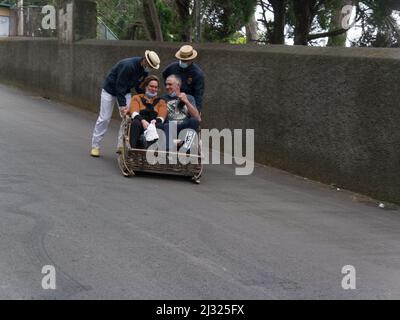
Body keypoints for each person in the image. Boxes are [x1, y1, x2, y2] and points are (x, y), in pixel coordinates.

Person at [90, 50, 161, 157]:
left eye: (152, 67)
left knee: (127, 118)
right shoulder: (129, 66)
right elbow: (119, 87)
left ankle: (121, 146)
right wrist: (123, 106)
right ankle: (95, 146)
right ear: (145, 60)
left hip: (125, 91)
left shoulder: (145, 70)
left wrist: (145, 96)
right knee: (104, 118)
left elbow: (138, 86)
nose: (150, 68)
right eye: (150, 65)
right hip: (110, 90)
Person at [162, 74, 201, 151]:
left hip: (184, 127)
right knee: (168, 125)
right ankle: (168, 152)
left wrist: (186, 101)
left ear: (178, 85)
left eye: (170, 84)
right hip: (170, 128)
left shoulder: (189, 97)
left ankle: (186, 147)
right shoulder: (163, 99)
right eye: (166, 84)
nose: (167, 87)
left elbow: (198, 118)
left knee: (194, 121)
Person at [162, 45, 205, 113]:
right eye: (182, 60)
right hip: (171, 99)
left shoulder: (197, 74)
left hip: (188, 101)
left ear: (191, 59)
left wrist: (197, 110)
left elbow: (198, 94)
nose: (183, 62)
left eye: (186, 60)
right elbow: (164, 75)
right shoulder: (172, 67)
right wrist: (170, 87)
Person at [128, 75, 167, 149]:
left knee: (161, 126)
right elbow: (134, 112)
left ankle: (154, 150)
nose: (153, 89)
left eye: (156, 87)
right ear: (145, 86)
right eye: (151, 86)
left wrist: (154, 122)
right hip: (140, 124)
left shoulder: (161, 101)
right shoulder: (137, 98)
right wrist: (142, 121)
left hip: (153, 125)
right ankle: (133, 150)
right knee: (135, 122)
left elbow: (162, 116)